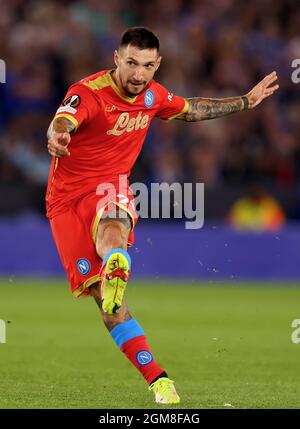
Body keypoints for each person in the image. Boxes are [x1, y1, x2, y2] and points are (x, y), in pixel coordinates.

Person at [46, 27, 279, 404]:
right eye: (132, 64)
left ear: (158, 65)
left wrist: (246, 102)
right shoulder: (87, 92)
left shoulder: (153, 95)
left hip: (111, 186)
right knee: (110, 307)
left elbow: (191, 110)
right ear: (117, 59)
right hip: (65, 201)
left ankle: (160, 380)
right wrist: (58, 135)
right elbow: (62, 120)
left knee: (113, 224)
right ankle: (155, 374)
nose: (139, 74)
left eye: (148, 66)